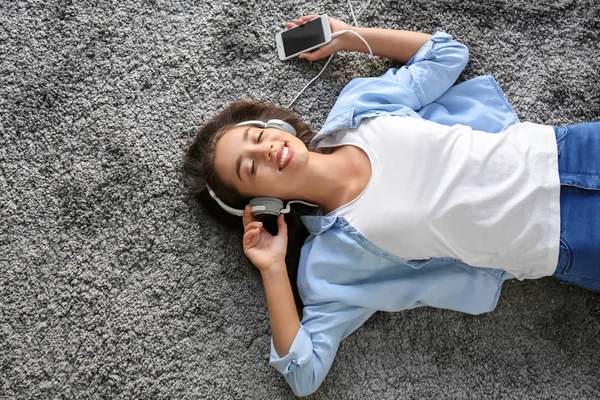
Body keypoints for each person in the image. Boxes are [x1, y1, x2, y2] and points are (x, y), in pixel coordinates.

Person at [182, 15, 600, 397]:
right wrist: (273, 269)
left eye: (258, 137)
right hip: (561, 240)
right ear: (261, 204)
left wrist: (343, 36)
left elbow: (447, 53)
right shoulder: (332, 262)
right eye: (250, 168)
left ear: (275, 126)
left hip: (564, 149)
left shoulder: (358, 109)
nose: (269, 151)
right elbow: (303, 372)